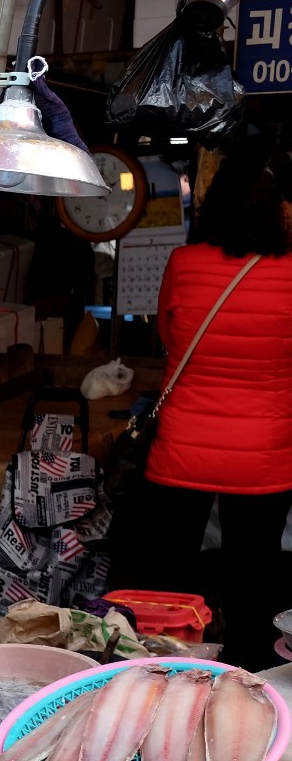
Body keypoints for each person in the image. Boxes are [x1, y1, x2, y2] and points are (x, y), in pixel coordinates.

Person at [110, 143, 292, 667]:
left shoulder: (184, 263)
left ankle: (168, 668)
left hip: (182, 451)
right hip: (264, 457)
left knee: (170, 573)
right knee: (253, 575)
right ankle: (246, 670)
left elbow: (171, 337)